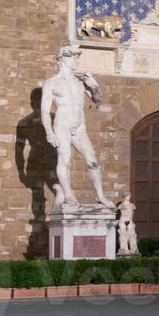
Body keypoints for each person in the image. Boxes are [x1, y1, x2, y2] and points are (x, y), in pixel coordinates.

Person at [41, 46, 112, 207]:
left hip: (80, 126)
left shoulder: (81, 81)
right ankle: (68, 193)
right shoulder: (52, 83)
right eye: (74, 57)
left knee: (92, 161)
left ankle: (100, 195)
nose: (77, 61)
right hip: (62, 125)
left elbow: (98, 101)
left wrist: (94, 86)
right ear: (63, 59)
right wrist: (49, 132)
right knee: (64, 159)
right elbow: (45, 111)